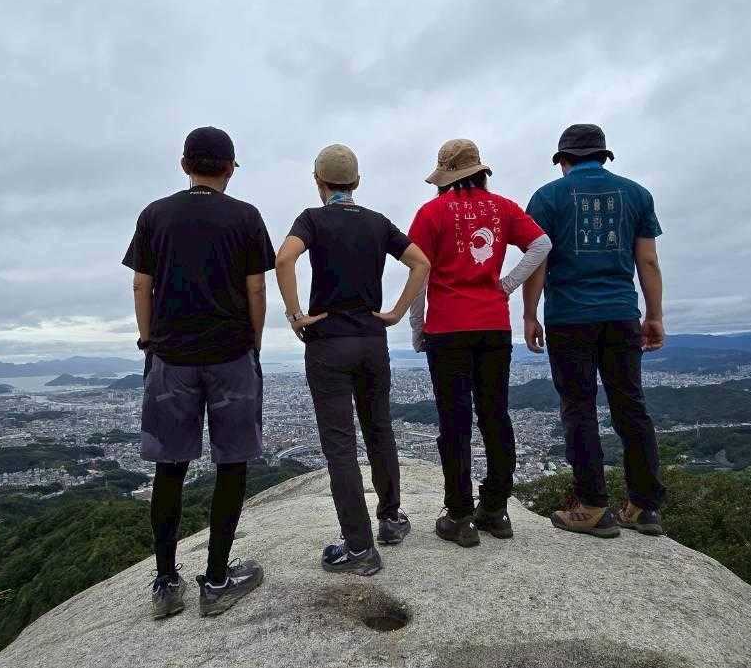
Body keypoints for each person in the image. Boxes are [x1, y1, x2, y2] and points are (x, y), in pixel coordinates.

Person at [122, 126, 274, 619]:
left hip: (171, 358)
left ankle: (166, 582)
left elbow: (141, 285)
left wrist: (148, 338)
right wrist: (253, 343)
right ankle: (217, 579)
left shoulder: (155, 215)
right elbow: (256, 290)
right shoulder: (246, 216)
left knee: (170, 468)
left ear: (184, 165)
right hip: (231, 356)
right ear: (230, 168)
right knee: (232, 463)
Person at [274, 144, 431, 576]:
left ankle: (359, 547)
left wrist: (296, 315)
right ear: (357, 182)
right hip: (371, 341)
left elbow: (284, 258)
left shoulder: (312, 219)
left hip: (328, 343)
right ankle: (391, 519)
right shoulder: (377, 222)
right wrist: (396, 312)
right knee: (380, 429)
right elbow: (420, 263)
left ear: (318, 182)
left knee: (340, 445)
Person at [522, 123, 667, 539]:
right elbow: (648, 261)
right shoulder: (637, 194)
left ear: (563, 161)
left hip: (569, 316)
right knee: (631, 406)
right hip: (621, 313)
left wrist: (530, 314)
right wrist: (654, 315)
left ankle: (591, 506)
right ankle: (643, 507)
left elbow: (537, 261)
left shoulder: (548, 197)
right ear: (604, 156)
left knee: (578, 407)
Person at [408, 138, 551, 548]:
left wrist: (418, 326)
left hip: (448, 328)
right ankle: (495, 509)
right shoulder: (502, 207)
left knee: (454, 423)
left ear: (445, 177)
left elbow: (419, 272)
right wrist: (505, 284)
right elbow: (541, 244)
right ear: (479, 172)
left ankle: (459, 515)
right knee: (495, 416)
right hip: (493, 325)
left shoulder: (431, 212)